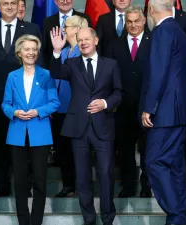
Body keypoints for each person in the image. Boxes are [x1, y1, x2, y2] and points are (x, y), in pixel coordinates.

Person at [50, 27, 122, 225]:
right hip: (78, 127)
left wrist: (105, 103)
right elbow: (55, 72)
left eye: (86, 39)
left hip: (103, 126)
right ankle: (88, 220)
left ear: (96, 40)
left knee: (106, 174)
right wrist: (57, 51)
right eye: (79, 40)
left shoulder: (111, 64)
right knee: (82, 176)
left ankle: (108, 218)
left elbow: (118, 92)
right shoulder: (71, 63)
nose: (83, 43)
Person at [0, 0, 42, 198]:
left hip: (26, 98)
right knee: (0, 144)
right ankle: (2, 186)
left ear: (18, 6)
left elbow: (40, 60)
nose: (9, 6)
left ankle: (25, 186)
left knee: (26, 144)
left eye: (13, 3)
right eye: (5, 3)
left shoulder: (31, 28)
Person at [140, 0, 186, 225]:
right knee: (174, 164)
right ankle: (178, 218)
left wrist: (148, 107)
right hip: (180, 109)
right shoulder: (180, 31)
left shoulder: (162, 31)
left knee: (154, 161)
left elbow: (158, 72)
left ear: (151, 10)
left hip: (164, 110)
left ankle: (176, 214)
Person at [2, 35, 59, 225]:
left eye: (34, 49)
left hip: (40, 133)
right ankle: (23, 221)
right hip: (17, 133)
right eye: (27, 49)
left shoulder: (47, 75)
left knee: (40, 181)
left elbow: (54, 103)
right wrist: (15, 112)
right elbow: (5, 104)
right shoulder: (12, 76)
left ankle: (36, 221)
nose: (31, 52)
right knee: (19, 181)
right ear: (19, 53)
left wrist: (38, 111)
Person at [105, 5, 151, 198]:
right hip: (122, 107)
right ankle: (128, 186)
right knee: (125, 151)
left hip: (147, 106)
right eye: (129, 21)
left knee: (148, 149)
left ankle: (147, 186)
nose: (133, 25)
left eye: (136, 21)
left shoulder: (154, 41)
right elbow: (108, 75)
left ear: (144, 21)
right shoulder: (115, 45)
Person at [50, 15, 88, 198]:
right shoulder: (63, 51)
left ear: (77, 28)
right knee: (63, 149)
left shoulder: (83, 51)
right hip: (59, 107)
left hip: (77, 107)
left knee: (78, 150)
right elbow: (54, 75)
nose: (64, 28)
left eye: (67, 25)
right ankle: (68, 185)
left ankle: (81, 186)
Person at [42, 0, 91, 67]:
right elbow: (44, 49)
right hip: (54, 69)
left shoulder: (84, 18)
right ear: (56, 2)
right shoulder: (48, 22)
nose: (65, 2)